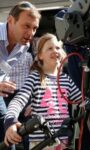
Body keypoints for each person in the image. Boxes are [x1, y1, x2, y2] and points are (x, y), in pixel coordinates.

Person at [4, 33, 82, 150]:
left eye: (57, 48)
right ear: (40, 55)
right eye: (50, 48)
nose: (55, 50)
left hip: (63, 141)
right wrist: (10, 122)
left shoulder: (66, 79)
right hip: (41, 143)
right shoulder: (35, 77)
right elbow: (18, 100)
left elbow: (81, 99)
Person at [0, 1, 41, 149]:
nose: (31, 33)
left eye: (34, 28)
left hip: (4, 97)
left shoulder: (24, 46)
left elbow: (3, 70)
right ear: (10, 21)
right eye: (26, 26)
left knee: (9, 137)